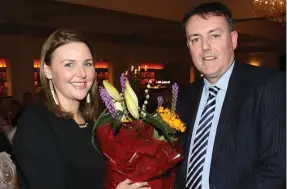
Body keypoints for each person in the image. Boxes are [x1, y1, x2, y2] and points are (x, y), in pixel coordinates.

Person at [13, 29, 150, 189]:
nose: (82, 73)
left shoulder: (95, 121)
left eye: (87, 63)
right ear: (48, 70)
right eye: (69, 64)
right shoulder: (36, 122)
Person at [174, 2, 286, 189]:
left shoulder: (269, 86)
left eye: (214, 36)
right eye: (195, 39)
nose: (205, 47)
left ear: (233, 40)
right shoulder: (184, 96)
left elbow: (277, 169)